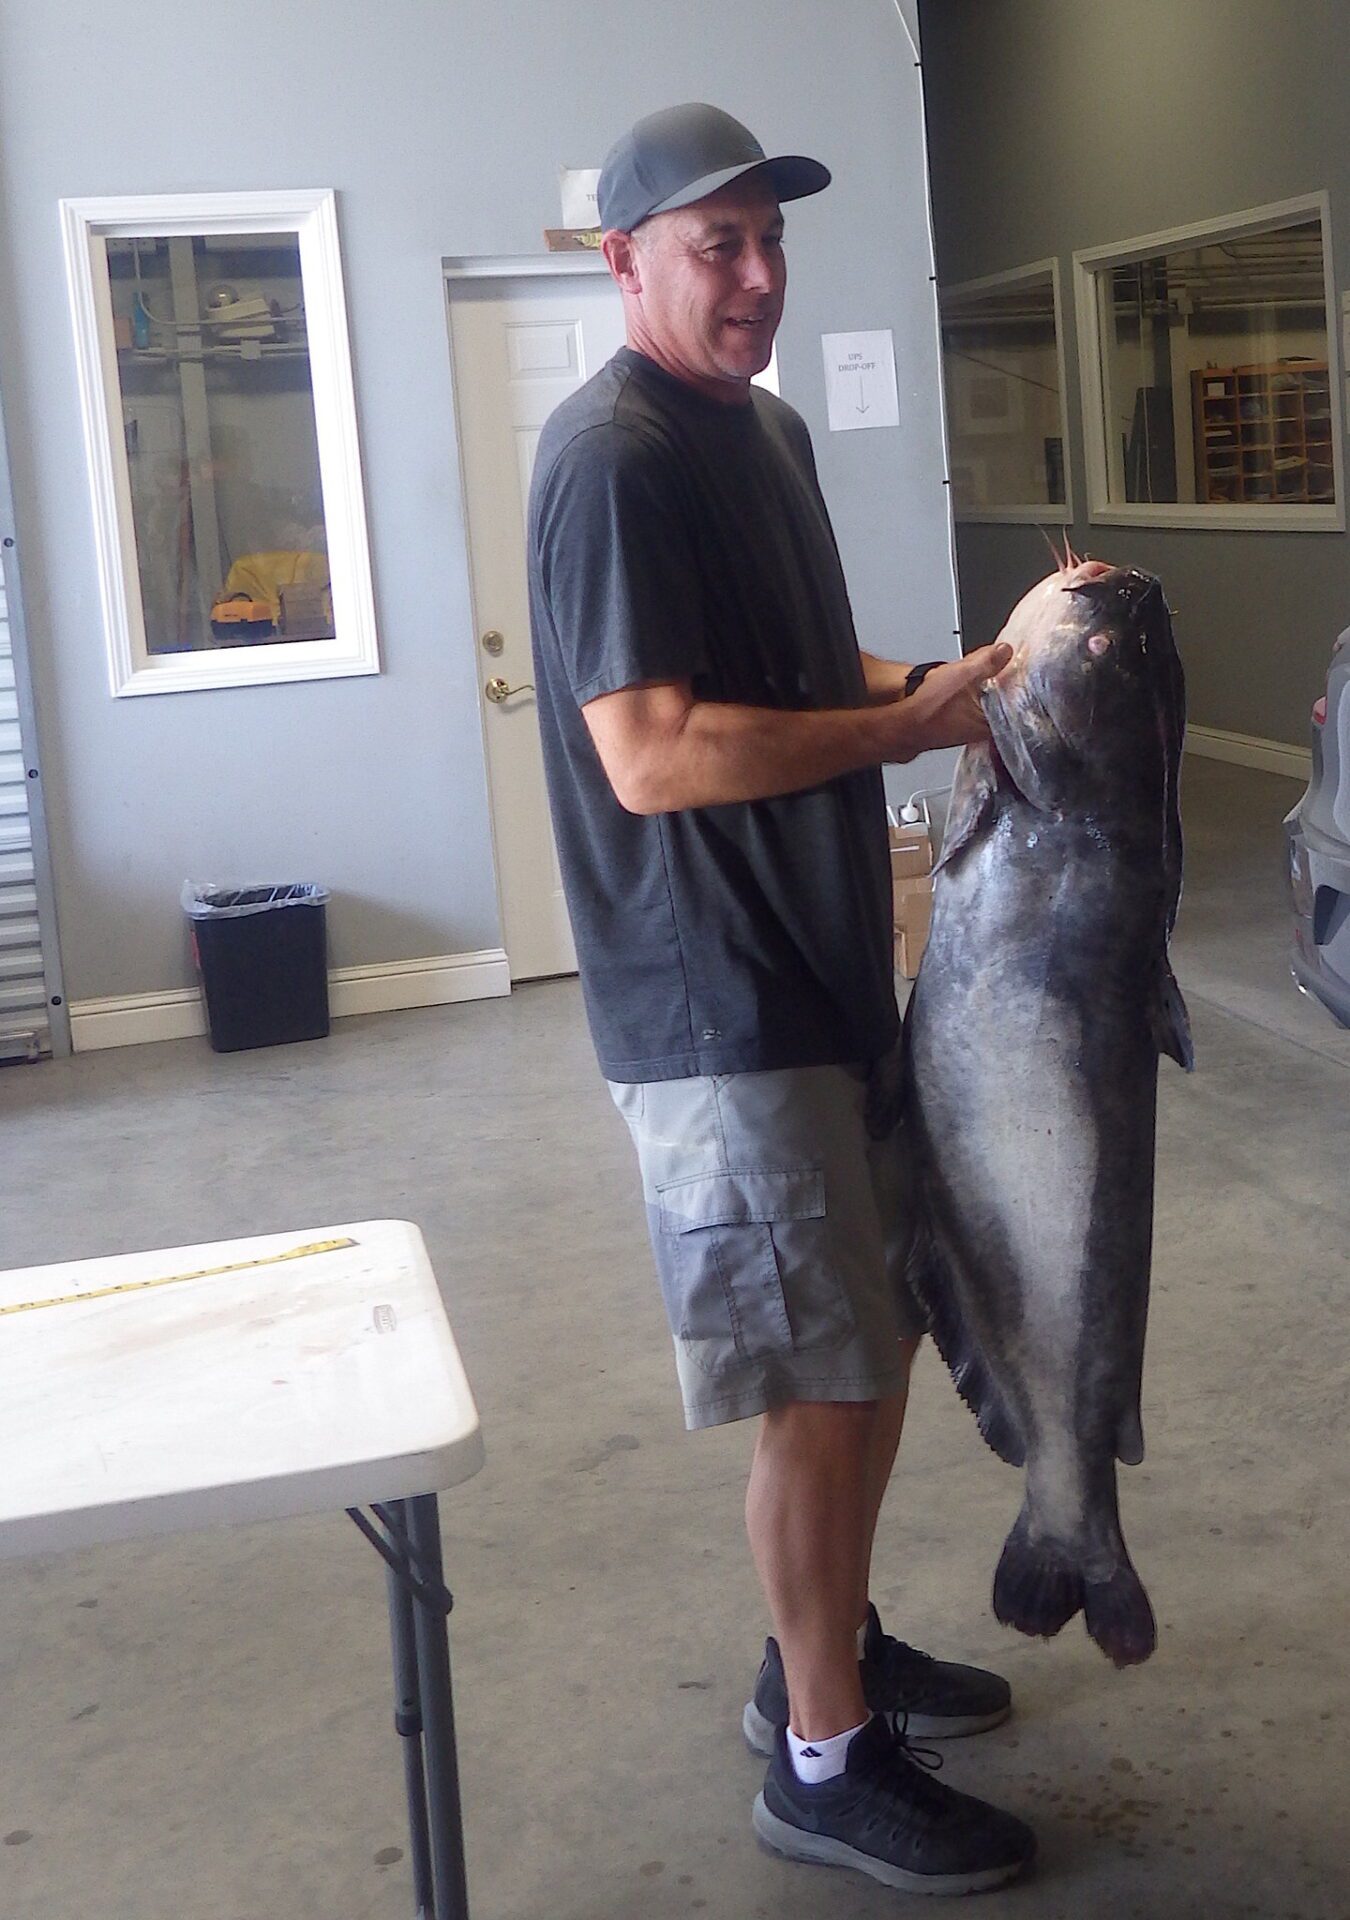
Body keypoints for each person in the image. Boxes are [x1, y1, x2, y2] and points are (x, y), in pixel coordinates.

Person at [527, 102, 1035, 1895]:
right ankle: (823, 1760)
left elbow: (799, 664)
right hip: (713, 1003)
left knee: (864, 1341)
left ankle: (814, 1650)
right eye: (712, 246)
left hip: (823, 973)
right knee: (815, 1382)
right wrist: (900, 727)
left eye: (768, 241)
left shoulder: (768, 435)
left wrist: (950, 680)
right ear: (625, 265)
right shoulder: (611, 459)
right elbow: (652, 754)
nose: (755, 278)